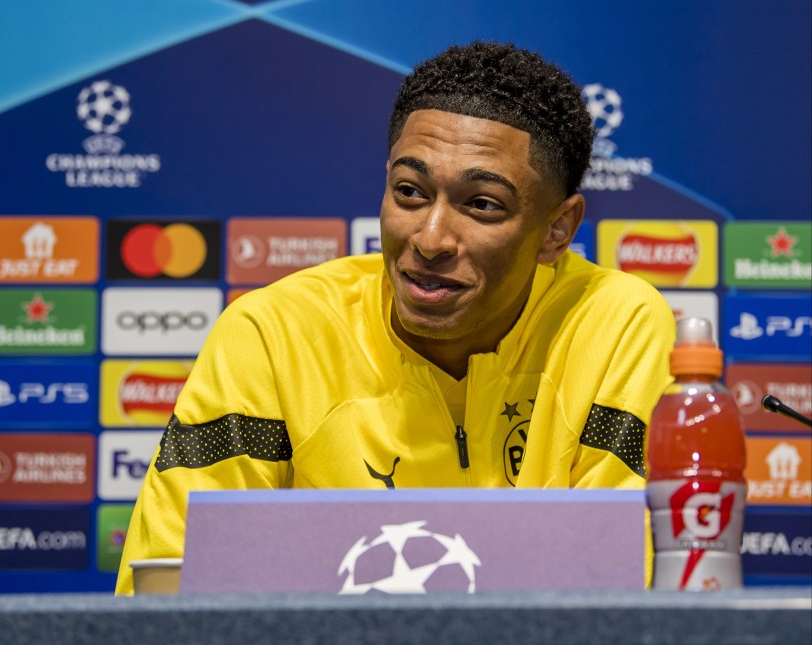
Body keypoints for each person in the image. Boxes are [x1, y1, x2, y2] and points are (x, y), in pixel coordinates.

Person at [115, 41, 675, 594]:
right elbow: (171, 591)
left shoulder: (615, 325)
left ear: (558, 229)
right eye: (409, 192)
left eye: (481, 204)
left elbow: (626, 591)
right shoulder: (273, 335)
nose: (429, 239)